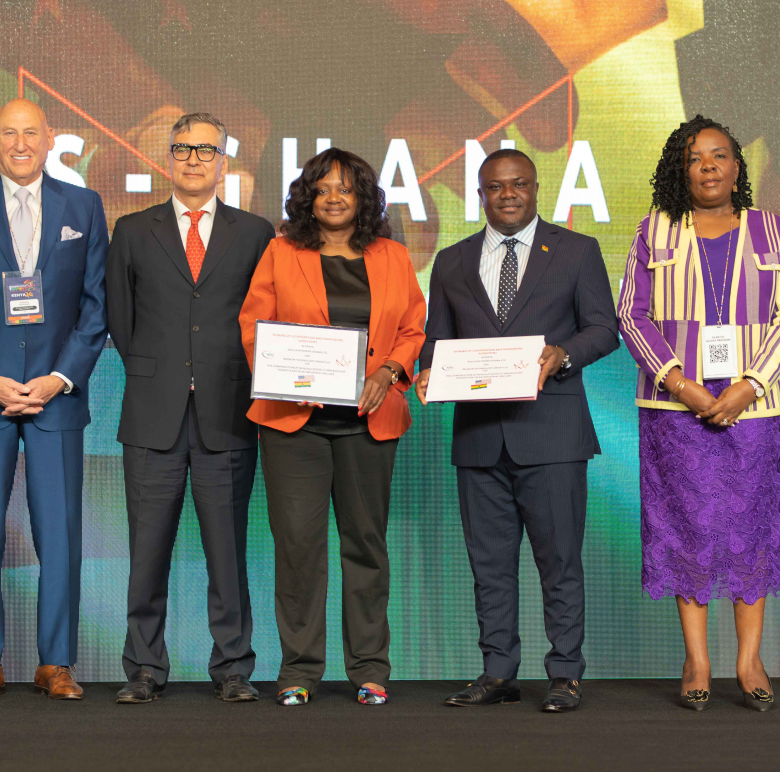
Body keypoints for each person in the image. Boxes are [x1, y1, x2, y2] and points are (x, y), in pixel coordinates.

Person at [416, 148, 618, 713]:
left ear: (535, 188)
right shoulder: (452, 261)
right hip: (478, 440)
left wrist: (565, 354)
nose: (509, 194)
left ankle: (565, 674)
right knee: (490, 567)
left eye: (520, 184)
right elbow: (435, 341)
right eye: (496, 186)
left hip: (552, 434)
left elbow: (604, 328)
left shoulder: (576, 250)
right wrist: (428, 369)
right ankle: (497, 672)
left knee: (559, 563)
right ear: (480, 193)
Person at [617, 116, 780, 712]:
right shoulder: (655, 231)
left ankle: (748, 660)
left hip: (754, 411)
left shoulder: (771, 230)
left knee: (750, 529)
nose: (708, 166)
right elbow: (631, 314)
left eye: (719, 155)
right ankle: (696, 660)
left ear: (736, 167)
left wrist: (748, 386)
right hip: (677, 411)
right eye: (695, 157)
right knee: (687, 529)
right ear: (681, 168)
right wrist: (687, 388)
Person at [0, 99, 108, 700]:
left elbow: (96, 306)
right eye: (8, 132)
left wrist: (60, 377)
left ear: (50, 138)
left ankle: (56, 662)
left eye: (31, 132)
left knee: (59, 531)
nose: (20, 142)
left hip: (57, 395)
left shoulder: (83, 205)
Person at [239, 148, 425, 707]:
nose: (335, 197)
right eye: (323, 189)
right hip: (294, 424)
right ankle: (299, 668)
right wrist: (290, 376)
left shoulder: (392, 255)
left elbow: (413, 329)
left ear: (363, 196)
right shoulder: (280, 252)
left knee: (365, 545)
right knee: (298, 547)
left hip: (370, 422)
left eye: (346, 187)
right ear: (308, 199)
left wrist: (391, 370)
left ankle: (370, 667)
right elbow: (254, 326)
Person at [106, 113, 274, 704]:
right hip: (153, 415)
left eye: (206, 150)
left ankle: (233, 667)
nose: (194, 159)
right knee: (146, 550)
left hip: (227, 413)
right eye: (183, 149)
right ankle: (144, 668)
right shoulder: (132, 230)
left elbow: (263, 319)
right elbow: (120, 323)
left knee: (227, 552)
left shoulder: (255, 232)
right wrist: (167, 374)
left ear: (224, 160)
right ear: (167, 158)